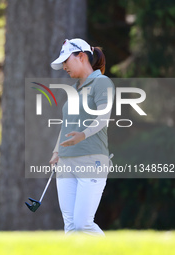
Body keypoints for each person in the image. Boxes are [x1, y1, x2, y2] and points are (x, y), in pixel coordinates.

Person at [49, 38, 114, 236]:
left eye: (66, 61)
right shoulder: (75, 90)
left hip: (92, 159)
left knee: (82, 224)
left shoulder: (102, 82)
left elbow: (104, 116)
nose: (64, 67)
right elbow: (67, 124)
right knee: (70, 227)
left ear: (82, 56)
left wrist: (82, 135)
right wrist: (57, 150)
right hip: (66, 161)